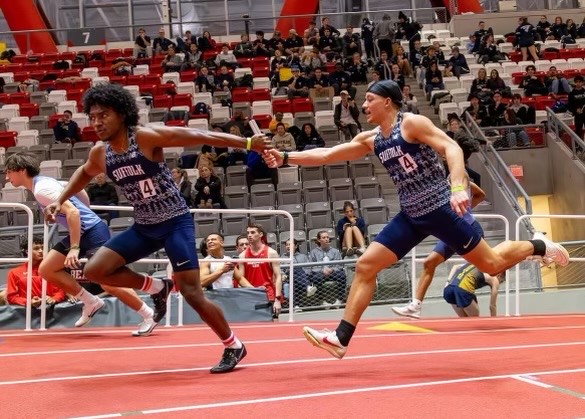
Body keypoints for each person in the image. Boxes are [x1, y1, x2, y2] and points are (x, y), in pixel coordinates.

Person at [263, 79, 570, 359]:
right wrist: (287, 158)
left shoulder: (411, 124)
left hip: (442, 209)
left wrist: (459, 187)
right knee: (365, 265)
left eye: (369, 99)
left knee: (491, 265)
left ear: (388, 102)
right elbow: (329, 154)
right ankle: (341, 338)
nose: (364, 105)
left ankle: (537, 245)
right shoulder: (372, 138)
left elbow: (451, 147)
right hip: (411, 215)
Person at [43, 83, 269, 373]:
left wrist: (249, 144)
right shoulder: (101, 153)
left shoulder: (146, 138)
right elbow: (84, 173)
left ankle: (234, 346)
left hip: (174, 222)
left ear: (122, 114)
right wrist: (60, 200)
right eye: (93, 116)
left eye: (104, 115)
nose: (96, 122)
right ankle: (158, 288)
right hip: (144, 226)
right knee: (95, 270)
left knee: (191, 292)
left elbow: (199, 134)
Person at [5, 152, 157, 336]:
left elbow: (74, 213)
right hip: (83, 231)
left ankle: (148, 315)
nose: (7, 177)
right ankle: (90, 301)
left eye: (9, 172)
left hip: (92, 232)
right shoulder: (45, 182)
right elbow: (78, 191)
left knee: (107, 280)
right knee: (47, 269)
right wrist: (64, 212)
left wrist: (75, 248)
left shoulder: (41, 190)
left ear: (21, 170)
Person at [392, 179, 486, 318]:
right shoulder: (433, 182)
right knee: (429, 263)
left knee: (491, 266)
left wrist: (467, 207)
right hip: (451, 231)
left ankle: (522, 252)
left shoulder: (456, 178)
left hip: (468, 229)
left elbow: (480, 194)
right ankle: (416, 306)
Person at [237, 224, 282, 320]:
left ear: (261, 234)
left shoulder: (271, 253)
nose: (249, 235)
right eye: (248, 233)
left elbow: (278, 276)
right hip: (250, 295)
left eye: (253, 232)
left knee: (273, 326)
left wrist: (277, 300)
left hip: (268, 295)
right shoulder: (242, 256)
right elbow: (240, 279)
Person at [6, 236, 65, 307]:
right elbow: (11, 297)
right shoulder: (14, 272)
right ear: (27, 251)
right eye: (36, 249)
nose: (41, 251)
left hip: (51, 312)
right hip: (26, 313)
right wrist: (28, 302)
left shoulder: (53, 269)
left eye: (43, 248)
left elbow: (61, 291)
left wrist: (53, 299)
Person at [308, 231, 347, 307]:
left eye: (327, 237)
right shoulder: (313, 252)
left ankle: (339, 300)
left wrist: (332, 269)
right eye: (324, 237)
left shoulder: (335, 251)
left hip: (333, 272)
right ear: (319, 240)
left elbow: (339, 265)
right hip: (320, 273)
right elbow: (311, 267)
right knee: (315, 278)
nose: (326, 239)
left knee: (342, 275)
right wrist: (322, 270)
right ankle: (322, 301)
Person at [280, 238, 313, 309]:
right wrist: (283, 274)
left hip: (300, 278)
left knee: (294, 279)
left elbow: (308, 269)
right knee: (293, 268)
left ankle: (296, 306)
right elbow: (280, 269)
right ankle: (307, 287)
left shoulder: (303, 257)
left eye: (290, 244)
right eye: (287, 245)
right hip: (287, 277)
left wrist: (302, 274)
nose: (288, 246)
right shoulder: (283, 257)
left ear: (296, 246)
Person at [568, 75, 585, 140]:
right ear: (575, 83)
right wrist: (575, 109)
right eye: (577, 82)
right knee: (578, 131)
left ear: (582, 83)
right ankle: (578, 146)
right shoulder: (571, 94)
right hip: (578, 115)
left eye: (580, 82)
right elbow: (570, 105)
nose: (578, 83)